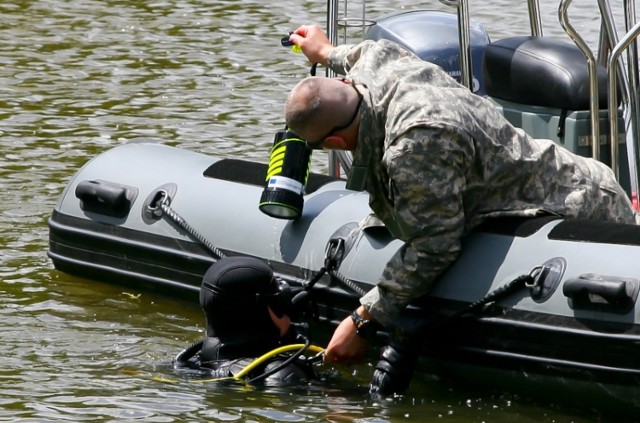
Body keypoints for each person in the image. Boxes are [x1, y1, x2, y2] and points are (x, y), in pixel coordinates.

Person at [283, 24, 636, 392]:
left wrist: (363, 320)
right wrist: (325, 52)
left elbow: (436, 244)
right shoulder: (378, 62)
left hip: (579, 206)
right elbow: (361, 54)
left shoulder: (416, 143)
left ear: (336, 140)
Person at [173, 256, 318, 385]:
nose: (286, 307)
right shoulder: (284, 375)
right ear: (257, 314)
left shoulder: (192, 361)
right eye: (277, 301)